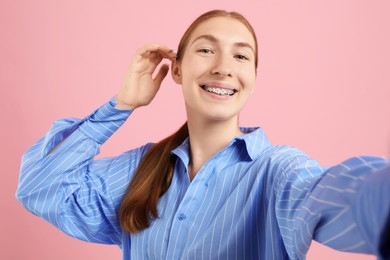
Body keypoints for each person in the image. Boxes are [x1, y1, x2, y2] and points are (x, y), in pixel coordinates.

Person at [16, 9, 390, 260]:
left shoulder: (278, 171)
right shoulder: (140, 171)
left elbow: (344, 195)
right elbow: (39, 188)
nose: (224, 68)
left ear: (253, 79)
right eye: (206, 50)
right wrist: (120, 106)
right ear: (176, 70)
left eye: (241, 57)